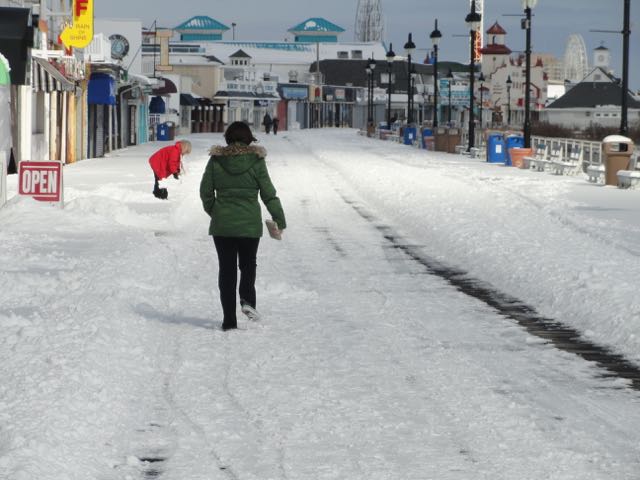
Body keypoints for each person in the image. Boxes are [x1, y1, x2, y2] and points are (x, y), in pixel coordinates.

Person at [200, 122, 286, 331]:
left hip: (223, 227)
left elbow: (205, 192)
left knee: (227, 270)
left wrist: (218, 212)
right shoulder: (257, 162)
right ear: (249, 139)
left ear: (228, 138)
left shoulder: (216, 160)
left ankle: (229, 320)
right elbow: (268, 193)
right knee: (248, 265)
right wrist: (279, 219)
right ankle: (247, 300)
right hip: (249, 225)